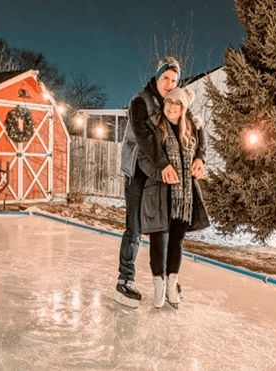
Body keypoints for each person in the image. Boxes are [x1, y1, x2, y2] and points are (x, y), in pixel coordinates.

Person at [113, 57, 181, 308]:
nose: (169, 84)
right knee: (134, 227)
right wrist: (164, 164)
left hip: (157, 174)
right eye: (166, 78)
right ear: (158, 77)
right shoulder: (140, 101)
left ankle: (161, 279)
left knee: (159, 227)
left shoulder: (171, 104)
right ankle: (124, 280)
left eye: (174, 81)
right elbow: (145, 138)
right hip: (137, 174)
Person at [142, 86, 210, 309]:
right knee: (159, 241)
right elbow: (144, 159)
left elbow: (201, 147)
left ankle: (172, 283)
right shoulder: (155, 126)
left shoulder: (189, 128)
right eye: (169, 102)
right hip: (160, 194)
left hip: (184, 197)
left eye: (178, 103)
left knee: (176, 242)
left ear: (184, 108)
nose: (172, 107)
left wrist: (200, 160)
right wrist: (160, 173)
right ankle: (159, 285)